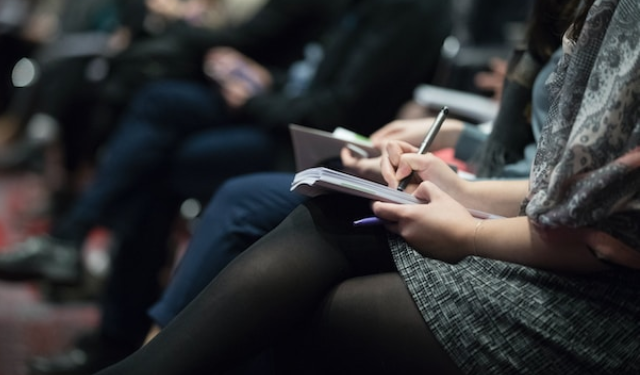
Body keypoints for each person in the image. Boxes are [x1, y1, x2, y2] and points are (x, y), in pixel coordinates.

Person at [92, 0, 640, 373]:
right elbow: (559, 190)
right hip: (537, 224)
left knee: (301, 296)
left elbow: (603, 232)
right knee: (311, 211)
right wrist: (463, 189)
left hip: (604, 305)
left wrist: (469, 223)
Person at [1, 1, 453, 374]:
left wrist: (257, 97)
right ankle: (119, 325)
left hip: (319, 147)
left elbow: (336, 110)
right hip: (283, 113)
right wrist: (257, 79)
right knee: (158, 106)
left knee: (165, 164)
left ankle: (125, 338)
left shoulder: (412, 13)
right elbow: (303, 72)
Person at [144, 0, 566, 338]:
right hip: (488, 184)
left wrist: (460, 186)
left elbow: (558, 190)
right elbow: (525, 149)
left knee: (267, 214)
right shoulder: (557, 25)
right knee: (174, 135)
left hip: (503, 206)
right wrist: (455, 137)